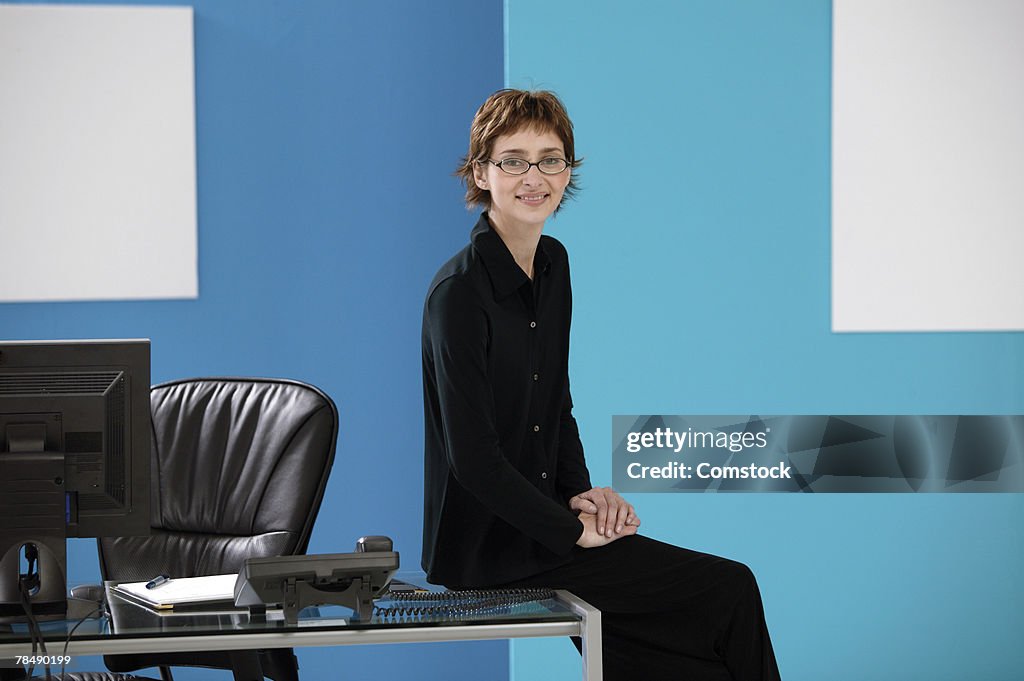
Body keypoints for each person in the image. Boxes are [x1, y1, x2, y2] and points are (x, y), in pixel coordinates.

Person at [421, 89, 781, 680]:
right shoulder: (458, 295)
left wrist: (585, 498)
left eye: (551, 159)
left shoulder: (554, 265)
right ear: (482, 172)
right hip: (485, 549)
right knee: (728, 589)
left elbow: (554, 406)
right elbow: (473, 460)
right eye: (513, 160)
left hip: (547, 525)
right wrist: (572, 531)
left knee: (683, 647)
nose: (533, 177)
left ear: (568, 172)